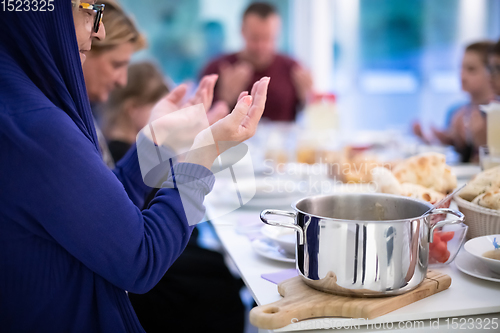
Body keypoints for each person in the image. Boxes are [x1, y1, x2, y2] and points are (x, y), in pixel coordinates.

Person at [0, 2, 270, 333]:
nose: (98, 30)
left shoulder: (17, 107)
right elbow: (141, 258)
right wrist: (202, 156)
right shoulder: (37, 127)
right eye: (88, 9)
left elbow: (98, 217)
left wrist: (158, 141)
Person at [200, 2, 313, 121]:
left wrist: (308, 100)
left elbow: (308, 118)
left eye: (267, 38)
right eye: (255, 38)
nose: (261, 46)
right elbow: (200, 124)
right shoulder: (217, 68)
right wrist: (224, 99)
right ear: (242, 31)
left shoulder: (292, 69)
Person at [413, 41, 495, 162]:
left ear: (491, 72)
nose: (462, 75)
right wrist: (433, 140)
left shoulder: (494, 116)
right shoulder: (456, 112)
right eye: (461, 68)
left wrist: (481, 142)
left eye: (471, 69)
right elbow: (456, 157)